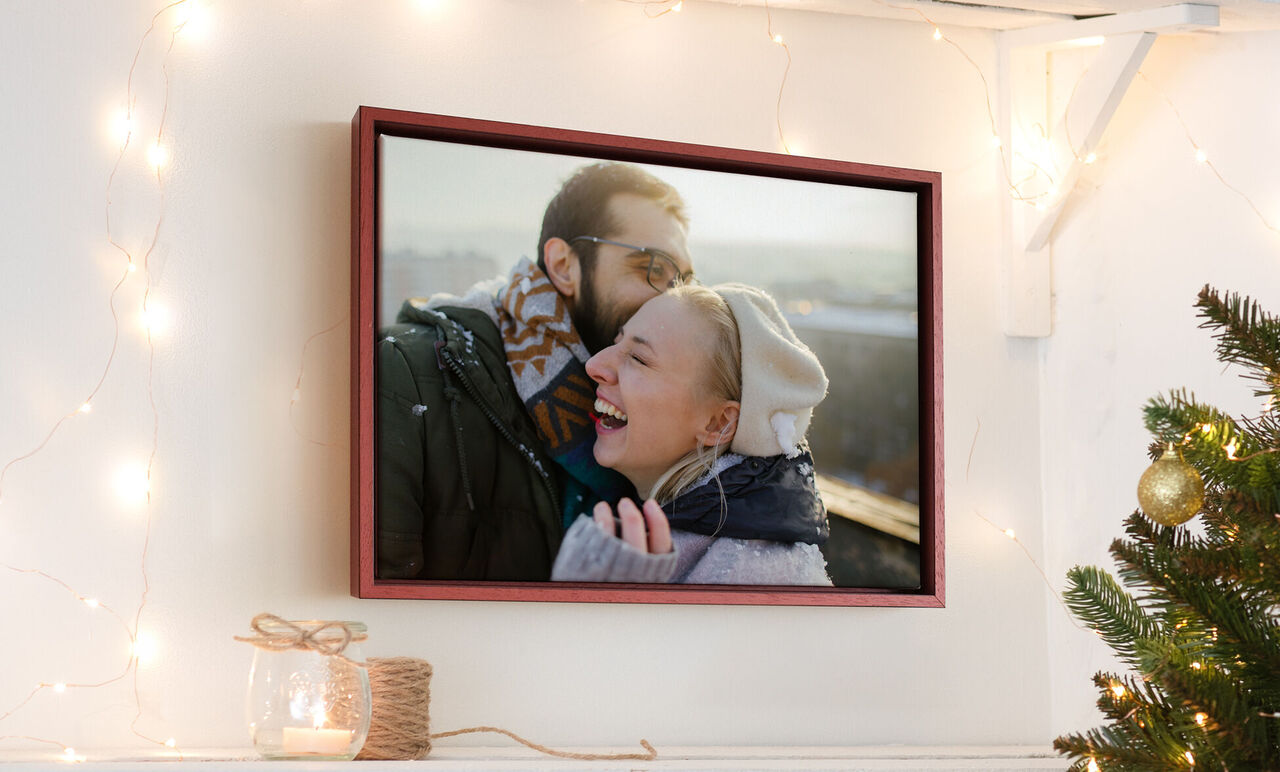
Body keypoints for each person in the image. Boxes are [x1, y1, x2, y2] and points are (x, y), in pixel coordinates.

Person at [376, 161, 695, 580]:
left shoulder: (668, 411)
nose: (669, 301)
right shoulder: (405, 376)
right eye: (652, 269)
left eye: (683, 282)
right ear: (564, 265)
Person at [550, 283, 833, 585]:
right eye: (616, 342)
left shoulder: (762, 579)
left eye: (639, 358)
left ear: (716, 423)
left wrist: (592, 605)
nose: (594, 364)